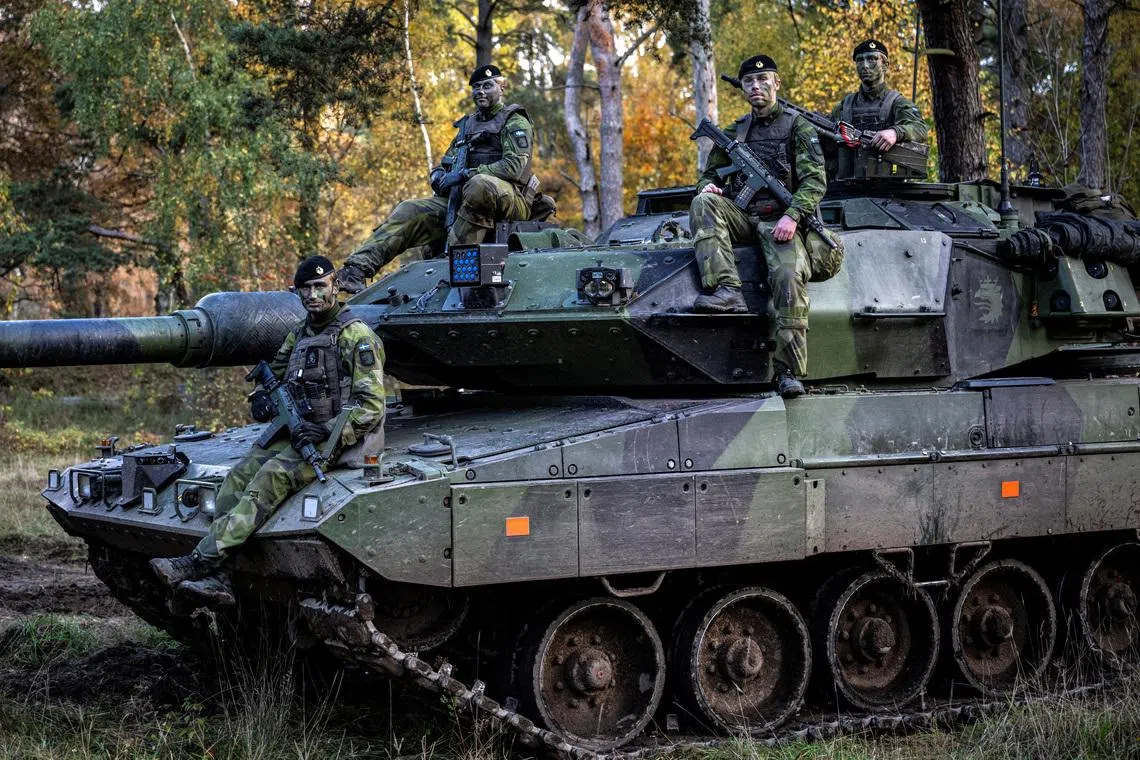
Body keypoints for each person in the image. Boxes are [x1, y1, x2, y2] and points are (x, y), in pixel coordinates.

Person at [150, 255, 386, 603]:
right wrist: (261, 397)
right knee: (236, 480)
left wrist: (328, 431)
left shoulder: (356, 335)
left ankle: (199, 563)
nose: (313, 295)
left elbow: (372, 405)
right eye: (305, 289)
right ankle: (222, 576)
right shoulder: (300, 334)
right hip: (297, 431)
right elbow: (274, 373)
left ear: (335, 286)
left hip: (336, 440)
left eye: (320, 286)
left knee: (269, 479)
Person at [690, 54, 826, 399]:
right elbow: (708, 174)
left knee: (788, 276)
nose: (756, 87)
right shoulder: (736, 131)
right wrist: (709, 186)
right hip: (742, 214)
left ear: (776, 83)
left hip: (780, 221)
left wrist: (793, 215)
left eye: (763, 80)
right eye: (749, 81)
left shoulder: (798, 127)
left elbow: (815, 182)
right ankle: (726, 289)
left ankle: (788, 372)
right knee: (703, 202)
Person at [337, 64, 539, 293]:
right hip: (466, 199)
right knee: (410, 209)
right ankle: (355, 270)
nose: (481, 91)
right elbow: (446, 163)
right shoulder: (467, 125)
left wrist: (465, 175)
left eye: (487, 86)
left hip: (512, 201)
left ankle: (451, 261)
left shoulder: (514, 121)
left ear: (502, 87)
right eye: (476, 87)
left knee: (479, 184)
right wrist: (438, 176)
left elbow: (513, 167)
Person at [830, 39, 927, 180]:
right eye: (860, 60)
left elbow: (920, 129)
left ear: (885, 65)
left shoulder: (896, 102)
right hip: (846, 186)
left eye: (872, 59)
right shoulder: (844, 106)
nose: (865, 65)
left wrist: (895, 132)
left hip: (889, 187)